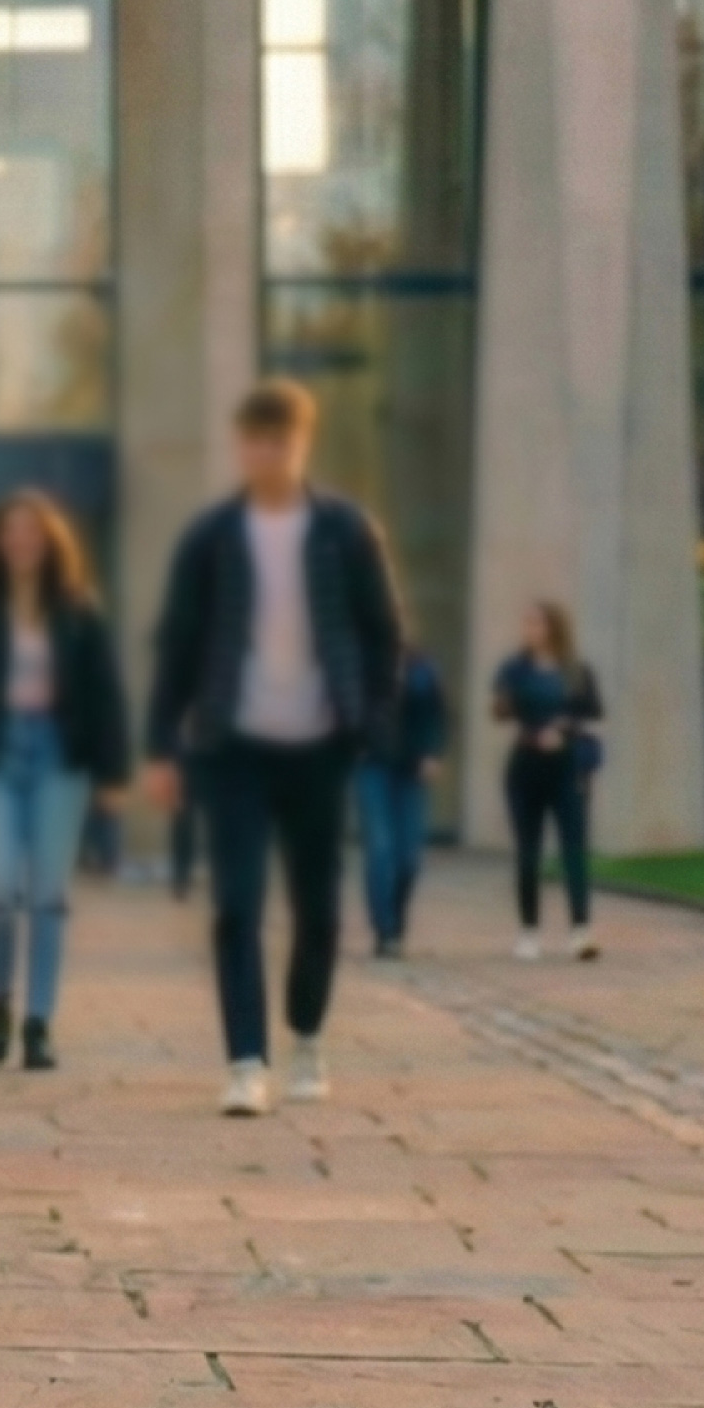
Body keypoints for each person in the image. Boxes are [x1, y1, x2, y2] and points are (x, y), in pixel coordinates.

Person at [141, 379, 404, 1120]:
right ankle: (246, 1062)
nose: (266, 453)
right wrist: (162, 744)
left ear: (301, 442)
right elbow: (178, 644)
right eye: (254, 440)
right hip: (233, 749)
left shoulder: (347, 532)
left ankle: (308, 1038)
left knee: (318, 911)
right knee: (236, 906)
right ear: (240, 445)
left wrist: (373, 725)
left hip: (320, 746)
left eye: (279, 440)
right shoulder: (213, 536)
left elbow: (385, 635)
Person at [0, 489, 134, 1072]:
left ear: (51, 542)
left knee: (48, 893)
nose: (21, 541)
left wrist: (113, 772)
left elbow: (107, 695)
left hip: (57, 758)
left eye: (33, 532)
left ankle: (38, 1022)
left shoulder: (79, 611)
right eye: (10, 531)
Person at [494, 599, 605, 961]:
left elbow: (592, 710)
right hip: (525, 766)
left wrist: (564, 726)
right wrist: (506, 704)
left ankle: (580, 930)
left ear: (553, 627)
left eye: (536, 623)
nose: (529, 630)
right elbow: (499, 711)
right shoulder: (514, 668)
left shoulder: (575, 670)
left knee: (574, 848)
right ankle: (529, 931)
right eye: (526, 623)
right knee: (528, 851)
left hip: (565, 767)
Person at [357, 620, 451, 958]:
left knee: (409, 857)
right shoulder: (360, 665)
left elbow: (439, 714)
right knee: (381, 848)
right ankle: (384, 932)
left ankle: (397, 921)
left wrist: (434, 752)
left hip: (412, 769)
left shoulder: (423, 667)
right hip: (372, 766)